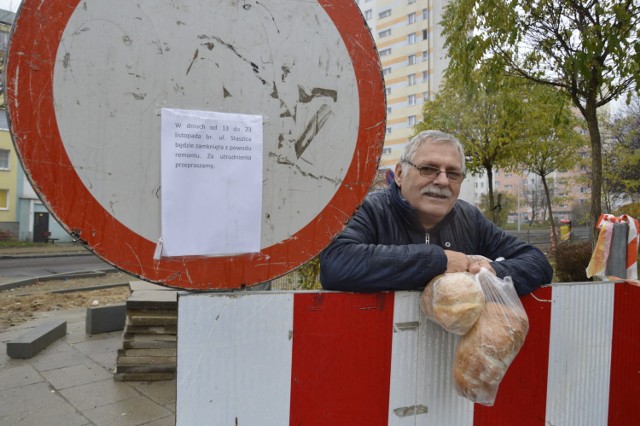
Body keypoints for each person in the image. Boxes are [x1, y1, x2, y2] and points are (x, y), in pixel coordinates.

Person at [320, 130, 553, 296]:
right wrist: (439, 260)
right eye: (428, 169)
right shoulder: (370, 209)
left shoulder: (469, 218)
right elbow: (336, 263)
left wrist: (493, 271)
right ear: (400, 174)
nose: (442, 181)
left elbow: (537, 262)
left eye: (453, 173)